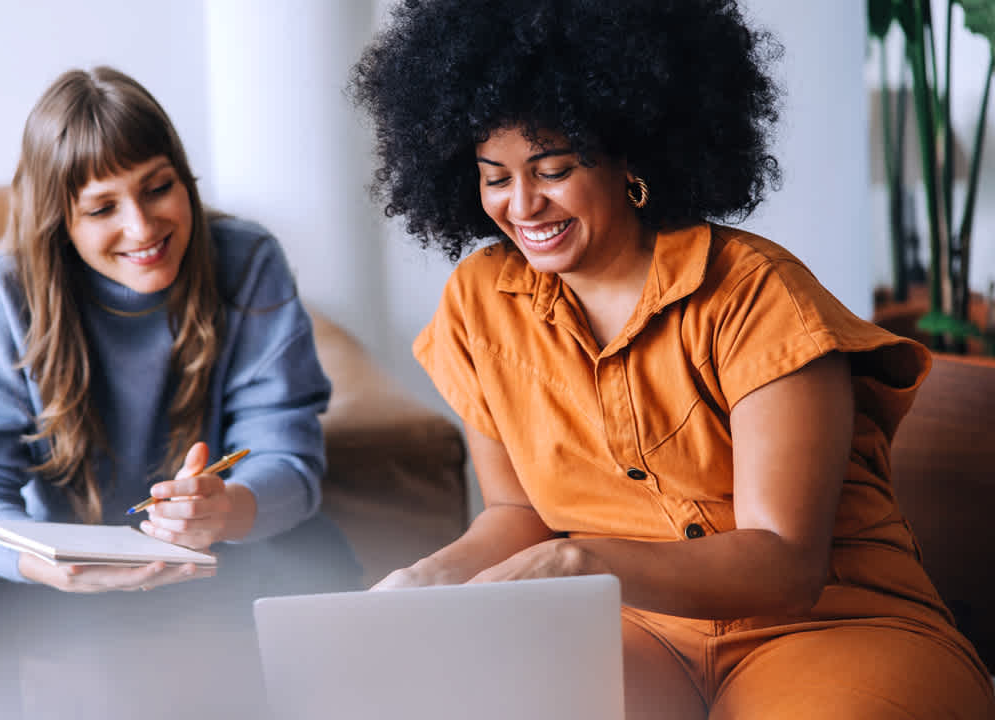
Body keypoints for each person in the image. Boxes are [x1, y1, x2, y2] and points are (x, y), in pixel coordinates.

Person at [350, 1, 995, 717]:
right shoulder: (478, 303)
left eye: (554, 168)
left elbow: (785, 564)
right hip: (629, 629)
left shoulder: (754, 293)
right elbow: (516, 511)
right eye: (495, 177)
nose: (523, 205)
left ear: (633, 154)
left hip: (834, 618)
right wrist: (424, 579)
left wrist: (582, 562)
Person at [0, 65, 360, 720]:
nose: (143, 227)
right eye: (102, 209)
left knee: (318, 552)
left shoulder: (248, 259)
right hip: (61, 573)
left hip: (210, 556)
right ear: (60, 220)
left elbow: (288, 454)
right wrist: (40, 561)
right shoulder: (3, 292)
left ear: (184, 177)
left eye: (158, 188)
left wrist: (231, 507)